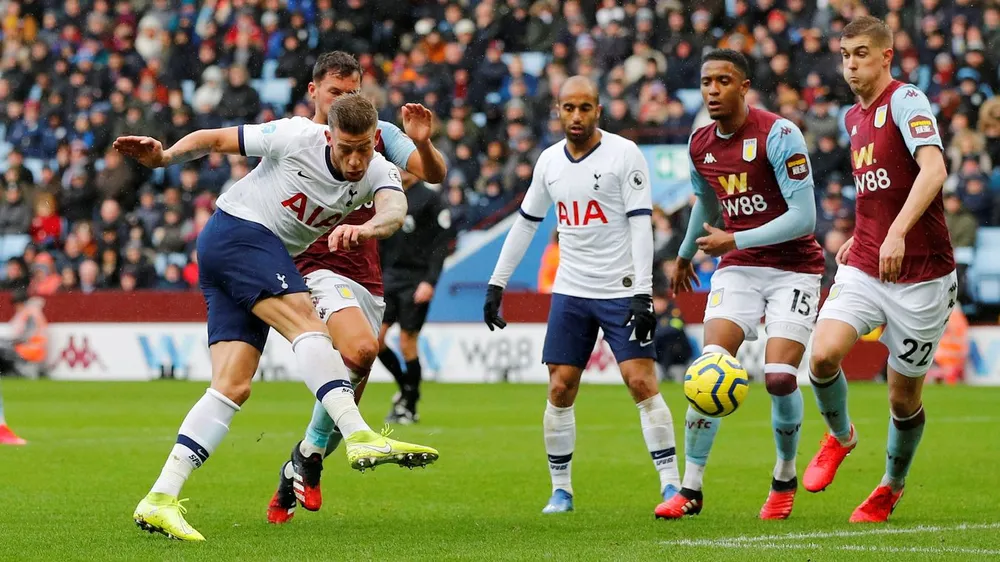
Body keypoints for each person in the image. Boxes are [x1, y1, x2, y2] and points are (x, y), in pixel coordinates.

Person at [114, 93, 439, 542]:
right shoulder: (295, 136)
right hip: (239, 232)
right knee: (307, 322)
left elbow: (394, 211)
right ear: (329, 135)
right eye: (346, 148)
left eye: (364, 147)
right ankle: (358, 433)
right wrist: (166, 156)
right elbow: (215, 138)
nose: (355, 159)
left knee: (232, 386)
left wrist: (364, 228)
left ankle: (160, 499)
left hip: (235, 256)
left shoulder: (379, 168)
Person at [483, 75, 681, 515]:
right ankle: (561, 490)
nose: (576, 116)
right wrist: (497, 282)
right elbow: (526, 223)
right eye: (568, 108)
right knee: (560, 387)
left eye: (584, 108)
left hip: (620, 290)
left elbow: (640, 223)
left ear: (598, 110)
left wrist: (644, 293)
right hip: (571, 291)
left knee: (641, 382)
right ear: (558, 110)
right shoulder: (549, 161)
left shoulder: (623, 154)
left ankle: (671, 485)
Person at [264, 51, 447, 525]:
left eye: (352, 92)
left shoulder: (380, 134)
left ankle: (302, 462)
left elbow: (434, 174)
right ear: (314, 92)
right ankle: (307, 459)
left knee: (352, 375)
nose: (344, 100)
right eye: (335, 92)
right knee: (363, 351)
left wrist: (423, 146)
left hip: (365, 274)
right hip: (312, 268)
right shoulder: (292, 137)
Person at [655, 49, 825, 521]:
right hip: (740, 266)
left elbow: (805, 218)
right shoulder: (700, 143)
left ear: (744, 86)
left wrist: (735, 236)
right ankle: (691, 490)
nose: (712, 89)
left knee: (778, 378)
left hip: (795, 268)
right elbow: (706, 202)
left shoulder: (779, 134)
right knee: (708, 370)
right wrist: (685, 252)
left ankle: (784, 476)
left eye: (723, 81)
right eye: (707, 81)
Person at [802, 16, 955, 523]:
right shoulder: (851, 119)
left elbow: (934, 169)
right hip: (867, 262)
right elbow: (877, 189)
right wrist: (860, 235)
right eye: (845, 54)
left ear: (886, 56)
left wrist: (896, 232)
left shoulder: (907, 100)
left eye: (862, 53)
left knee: (902, 395)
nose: (851, 63)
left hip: (924, 276)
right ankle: (841, 436)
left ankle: (891, 485)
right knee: (821, 357)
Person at [380, 168, 456, 425]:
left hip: (416, 279)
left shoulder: (430, 198)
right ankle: (407, 389)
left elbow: (440, 245)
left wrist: (430, 281)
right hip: (388, 277)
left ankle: (409, 405)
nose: (401, 169)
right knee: (375, 340)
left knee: (407, 341)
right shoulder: (386, 194)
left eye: (406, 164)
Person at [0, 289, 44, 446]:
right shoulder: (32, 312)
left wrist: (9, 341)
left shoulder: (29, 314)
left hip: (30, 352)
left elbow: (25, 336)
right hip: (29, 350)